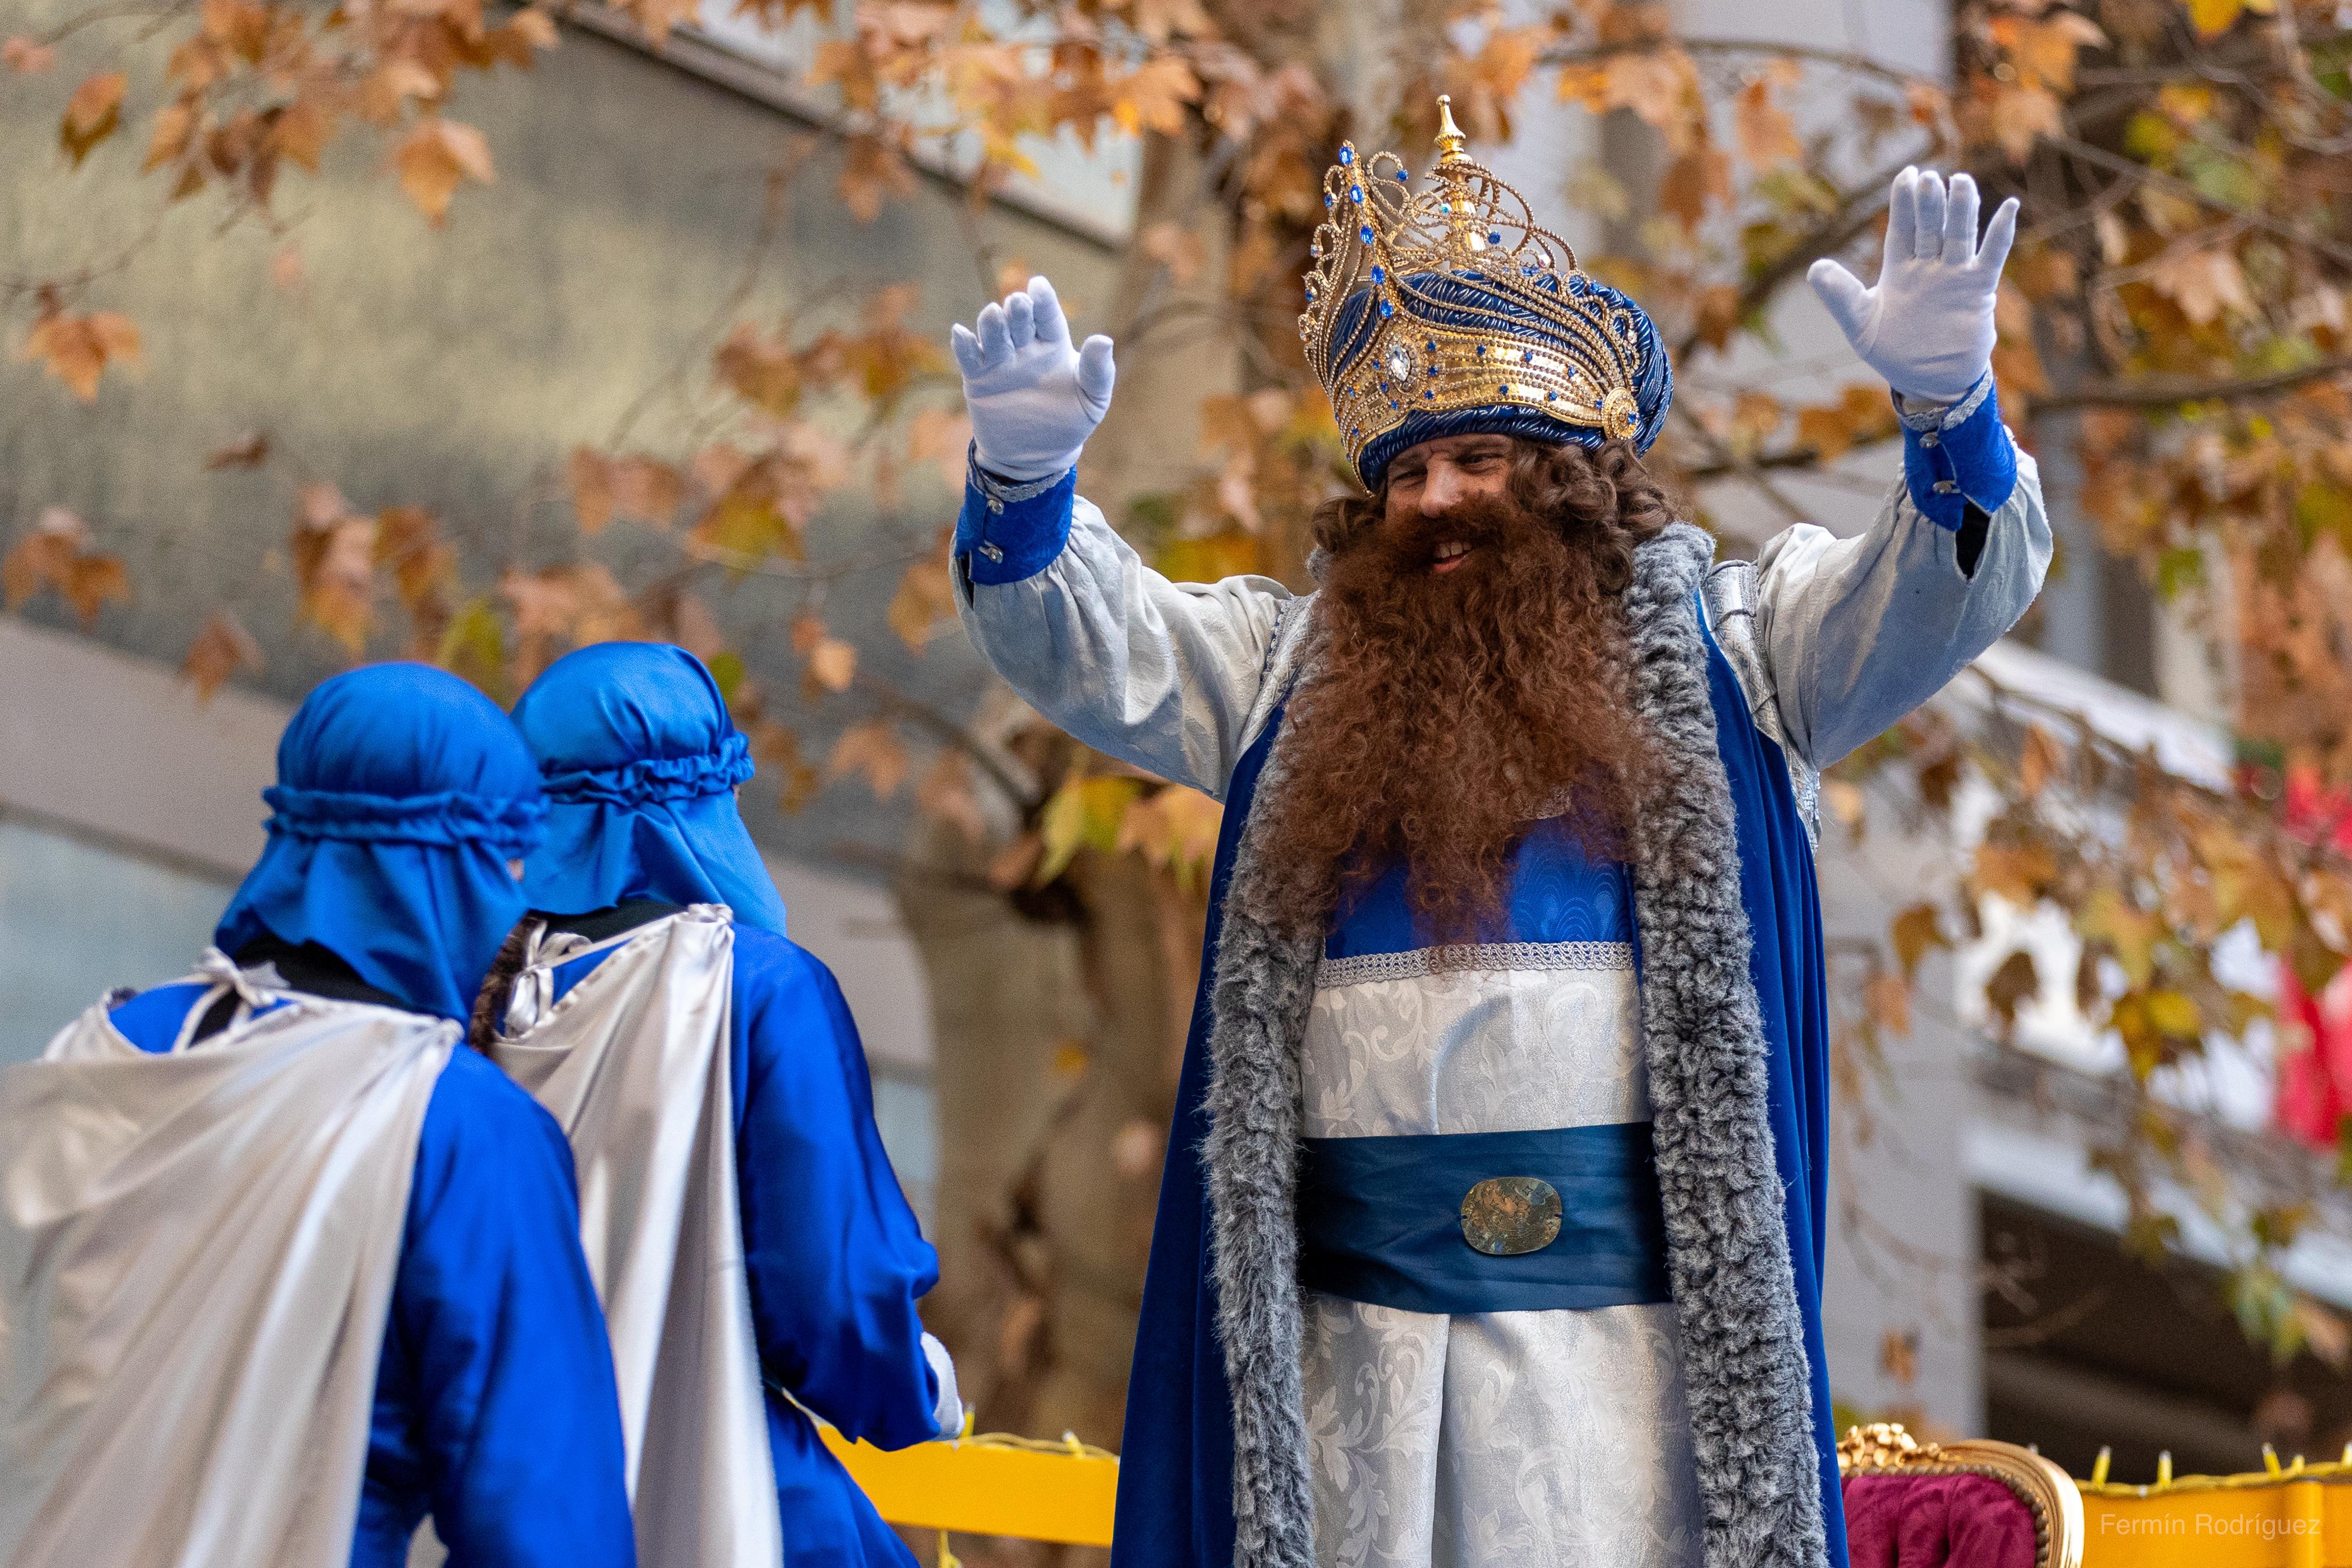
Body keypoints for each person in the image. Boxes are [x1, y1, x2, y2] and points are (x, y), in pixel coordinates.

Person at [946, 99, 2049, 1568]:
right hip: (1349, 1365)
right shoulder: (1287, 669)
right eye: (1401, 475)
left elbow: (1933, 593)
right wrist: (1023, 494)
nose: (1432, 501)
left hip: (1626, 1375)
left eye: (1470, 458)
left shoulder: (1738, 644)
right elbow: (1103, 643)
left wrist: (1947, 418)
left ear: (1567, 475)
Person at [0, 663, 636, 1568]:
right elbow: (540, 1518)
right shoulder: (458, 1126)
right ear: (458, 869)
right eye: (511, 860)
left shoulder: (106, 1046)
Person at [479, 640, 958, 1568]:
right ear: (699, 800)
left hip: (504, 1509)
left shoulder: (470, 988)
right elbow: (833, 1301)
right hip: (732, 1503)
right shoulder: (759, 988)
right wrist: (920, 1387)